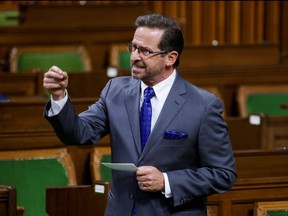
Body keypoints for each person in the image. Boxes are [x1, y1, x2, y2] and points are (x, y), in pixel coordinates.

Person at [43, 13, 237, 216]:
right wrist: (59, 96)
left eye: (145, 51)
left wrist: (166, 181)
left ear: (170, 58)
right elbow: (78, 134)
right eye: (133, 48)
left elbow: (223, 174)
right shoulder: (115, 90)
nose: (134, 57)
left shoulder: (203, 106)